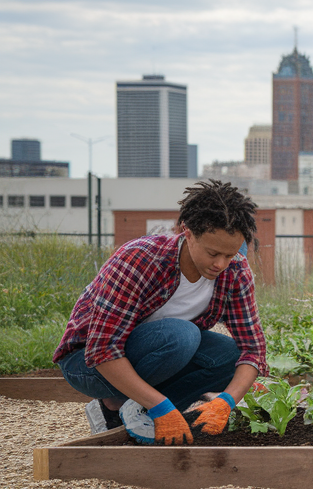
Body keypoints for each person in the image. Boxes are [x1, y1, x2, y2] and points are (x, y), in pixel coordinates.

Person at [55, 180, 267, 445]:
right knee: (182, 335)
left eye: (230, 254)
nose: (221, 264)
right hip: (87, 364)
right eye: (213, 252)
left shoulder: (235, 270)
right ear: (186, 232)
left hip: (153, 352)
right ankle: (115, 404)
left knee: (229, 356)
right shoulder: (140, 259)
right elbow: (102, 349)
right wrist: (160, 406)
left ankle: (138, 408)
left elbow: (253, 349)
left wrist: (227, 401)